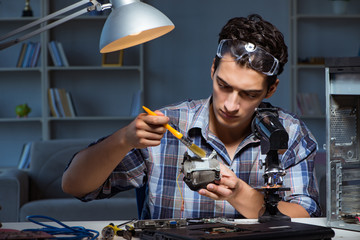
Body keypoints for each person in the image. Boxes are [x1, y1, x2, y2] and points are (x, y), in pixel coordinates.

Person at [62, 14, 321, 220]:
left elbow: (306, 216)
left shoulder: (289, 132)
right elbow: (74, 186)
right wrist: (123, 140)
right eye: (224, 85)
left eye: (249, 94)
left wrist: (240, 193)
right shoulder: (168, 123)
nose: (231, 105)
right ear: (212, 69)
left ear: (271, 89)